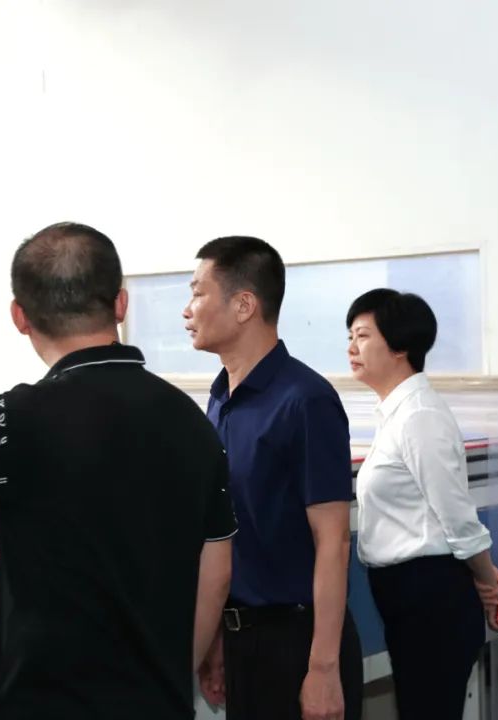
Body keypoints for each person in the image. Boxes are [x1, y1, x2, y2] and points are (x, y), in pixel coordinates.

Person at [0, 222, 236, 720]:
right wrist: (168, 678)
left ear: (19, 316)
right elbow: (217, 569)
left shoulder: (21, 418)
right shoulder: (190, 420)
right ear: (120, 303)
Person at [183, 236, 362, 720]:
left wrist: (323, 668)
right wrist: (217, 638)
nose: (187, 310)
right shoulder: (220, 397)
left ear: (244, 305)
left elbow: (333, 542)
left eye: (198, 293)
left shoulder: (305, 400)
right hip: (243, 643)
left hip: (297, 643)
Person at [345, 288, 498, 720]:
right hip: (410, 594)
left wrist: (487, 581)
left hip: (430, 594)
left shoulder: (420, 416)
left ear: (399, 347)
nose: (351, 348)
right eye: (350, 336)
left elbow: (456, 515)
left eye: (362, 336)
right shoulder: (396, 414)